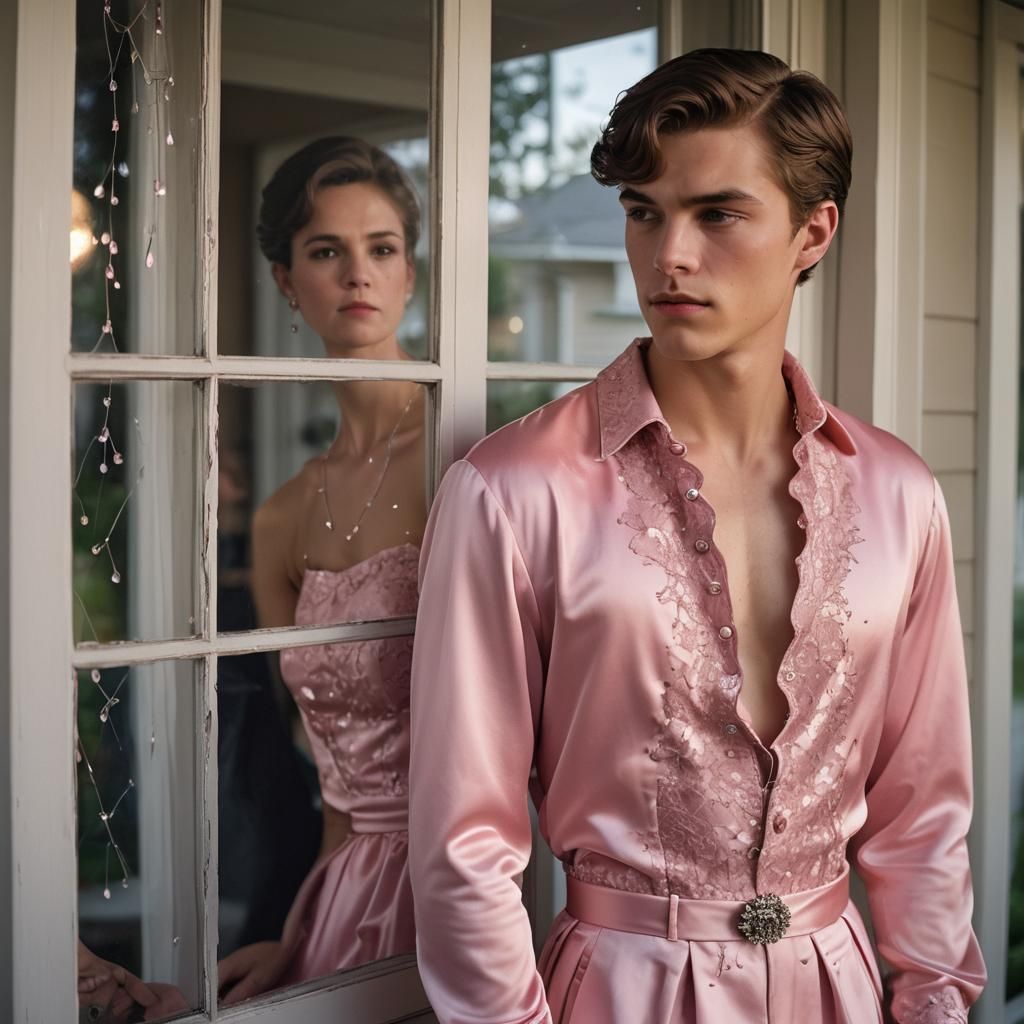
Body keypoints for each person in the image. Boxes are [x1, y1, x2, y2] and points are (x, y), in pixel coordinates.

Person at [408, 49, 987, 1023]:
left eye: (716, 213)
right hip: (620, 994)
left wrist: (930, 1000)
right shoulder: (511, 490)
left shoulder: (900, 493)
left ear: (813, 231)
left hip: (835, 991)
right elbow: (462, 843)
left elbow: (923, 809)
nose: (666, 254)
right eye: (643, 212)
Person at [218, 137, 426, 1004]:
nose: (357, 275)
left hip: (472, 880)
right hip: (343, 892)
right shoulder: (279, 518)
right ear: (284, 282)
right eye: (325, 251)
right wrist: (291, 934)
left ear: (409, 275)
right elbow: (330, 779)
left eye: (381, 249)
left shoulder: (471, 460)